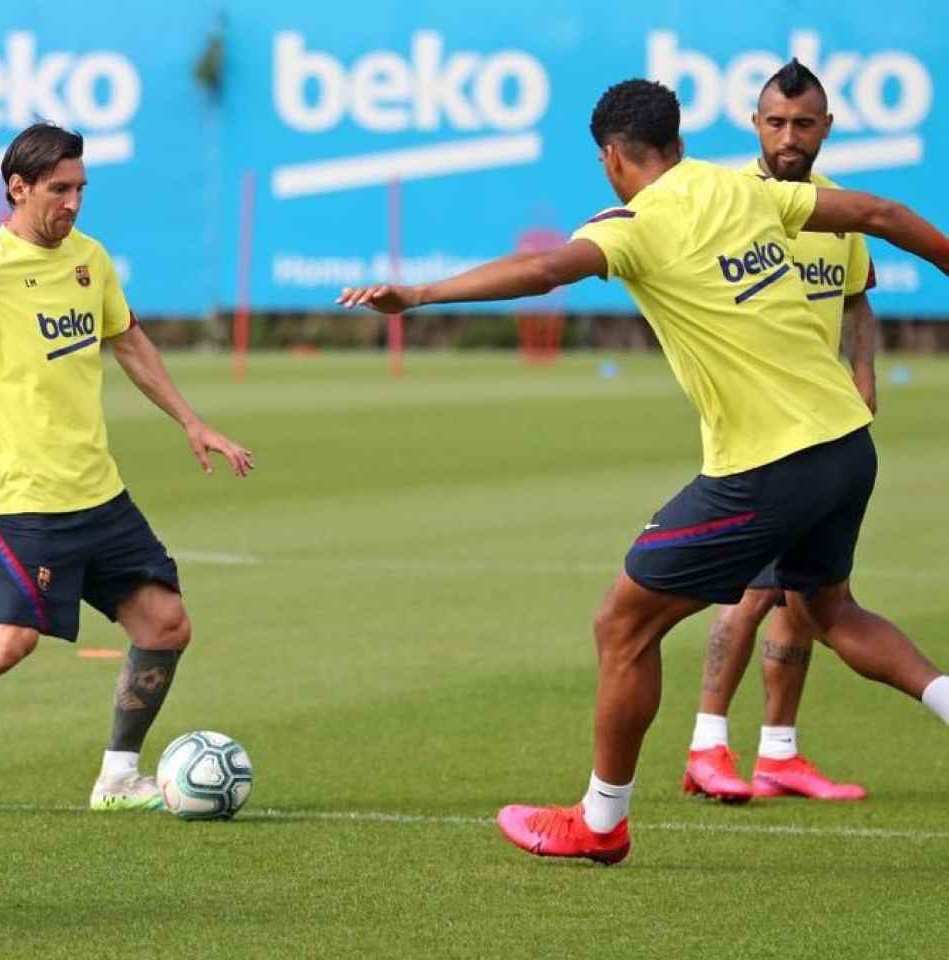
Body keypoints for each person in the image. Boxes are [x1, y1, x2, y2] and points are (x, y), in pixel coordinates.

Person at [335, 79, 949, 864]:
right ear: (679, 141)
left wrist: (420, 292)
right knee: (831, 613)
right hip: (846, 443)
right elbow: (883, 216)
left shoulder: (635, 223)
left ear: (613, 158)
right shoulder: (743, 189)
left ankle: (601, 820)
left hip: (771, 463)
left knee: (623, 623)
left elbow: (547, 270)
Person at [0, 122, 253, 817]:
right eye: (59, 188)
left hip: (100, 495)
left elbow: (127, 340)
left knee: (165, 624)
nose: (73, 202)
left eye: (81, 188)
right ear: (18, 188)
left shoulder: (90, 259)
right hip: (28, 502)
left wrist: (191, 421)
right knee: (7, 642)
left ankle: (118, 777)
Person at [685, 59, 878, 805]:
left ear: (826, 128)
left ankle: (778, 753)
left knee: (807, 593)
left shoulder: (839, 209)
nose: (789, 137)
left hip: (825, 431)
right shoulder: (731, 202)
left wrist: (862, 375)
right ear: (755, 125)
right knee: (756, 589)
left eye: (804, 124)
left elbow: (856, 300)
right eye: (776, 122)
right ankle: (707, 744)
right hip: (759, 436)